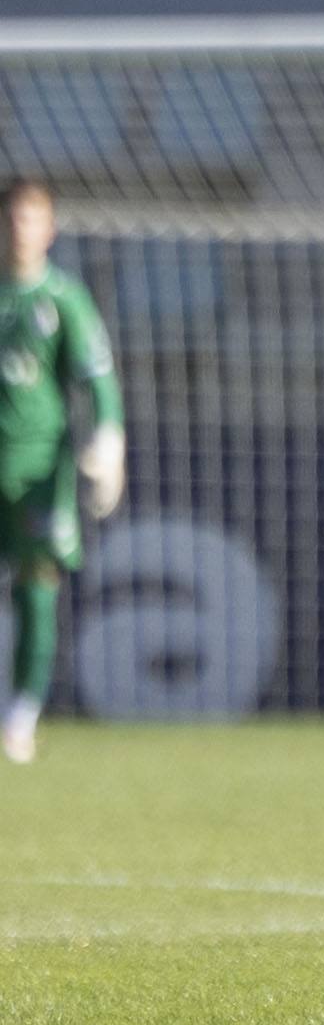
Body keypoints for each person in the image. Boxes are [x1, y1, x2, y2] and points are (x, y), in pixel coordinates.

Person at [0, 179, 122, 766]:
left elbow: (96, 377)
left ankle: (19, 719)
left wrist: (108, 440)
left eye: (31, 219)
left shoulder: (63, 298)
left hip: (37, 472)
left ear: (49, 228)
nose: (20, 230)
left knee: (36, 591)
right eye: (12, 219)